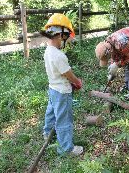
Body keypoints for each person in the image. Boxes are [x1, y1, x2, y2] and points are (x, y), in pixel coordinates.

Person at [40, 13, 83, 155]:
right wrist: (77, 82)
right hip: (62, 91)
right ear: (60, 36)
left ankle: (48, 132)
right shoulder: (59, 55)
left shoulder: (48, 51)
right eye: (66, 37)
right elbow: (68, 74)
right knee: (64, 119)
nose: (67, 41)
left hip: (53, 87)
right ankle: (67, 148)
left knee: (51, 112)